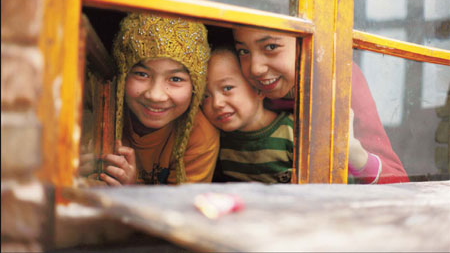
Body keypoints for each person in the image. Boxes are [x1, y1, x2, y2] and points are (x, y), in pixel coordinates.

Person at [232, 26, 409, 184]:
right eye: (243, 51)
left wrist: (354, 154)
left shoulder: (339, 78)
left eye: (271, 47)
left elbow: (398, 182)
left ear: (305, 42)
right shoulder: (239, 81)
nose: (255, 68)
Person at [99, 13, 219, 185]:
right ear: (123, 75)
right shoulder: (100, 108)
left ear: (196, 87)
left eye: (176, 79)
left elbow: (181, 208)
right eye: (142, 74)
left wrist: (132, 190)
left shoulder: (200, 136)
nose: (155, 95)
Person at [202, 45, 295, 183]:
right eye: (205, 96)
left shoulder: (292, 131)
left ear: (259, 89)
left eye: (227, 88)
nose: (216, 103)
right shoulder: (215, 138)